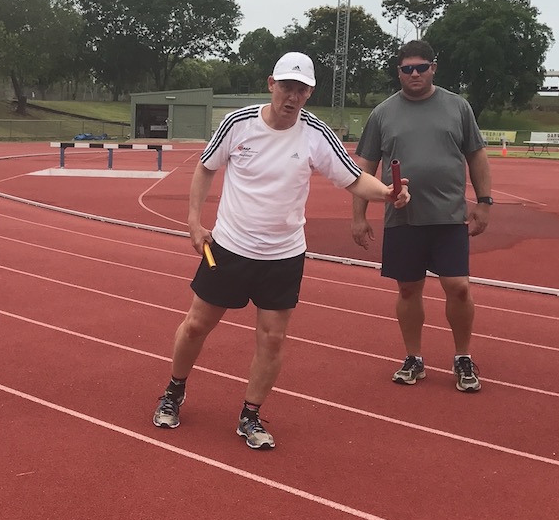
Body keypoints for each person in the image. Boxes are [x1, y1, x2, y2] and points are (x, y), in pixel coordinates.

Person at [153, 52, 410, 450]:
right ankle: (174, 390)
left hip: (284, 255)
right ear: (271, 83)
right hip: (229, 247)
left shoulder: (315, 134)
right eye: (287, 86)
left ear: (309, 92)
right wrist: (193, 221)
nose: (292, 96)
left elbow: (355, 179)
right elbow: (206, 167)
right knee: (197, 325)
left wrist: (388, 195)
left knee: (272, 339)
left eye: (301, 89)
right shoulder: (238, 124)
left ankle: (250, 415)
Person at [351, 39, 492, 393]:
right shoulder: (383, 113)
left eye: (421, 67)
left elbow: (476, 156)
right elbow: (365, 166)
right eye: (407, 69)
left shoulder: (457, 107)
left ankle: (462, 356)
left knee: (458, 288)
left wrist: (485, 201)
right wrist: (359, 215)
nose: (414, 74)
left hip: (449, 217)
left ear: (433, 68)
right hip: (402, 219)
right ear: (398, 72)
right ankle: (414, 357)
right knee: (408, 288)